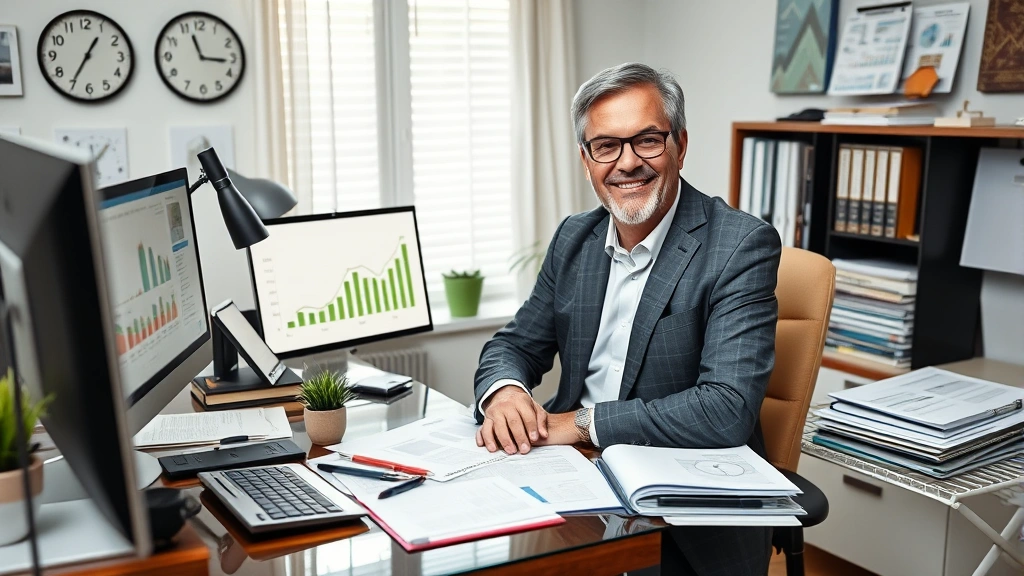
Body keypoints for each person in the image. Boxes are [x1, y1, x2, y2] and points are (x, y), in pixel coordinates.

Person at [472, 62, 782, 575]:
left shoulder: (738, 245)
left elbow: (726, 408)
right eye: (606, 146)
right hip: (574, 477)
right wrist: (505, 391)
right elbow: (515, 345)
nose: (627, 163)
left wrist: (584, 423)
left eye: (647, 141)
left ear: (680, 144)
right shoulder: (576, 237)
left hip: (685, 509)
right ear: (586, 159)